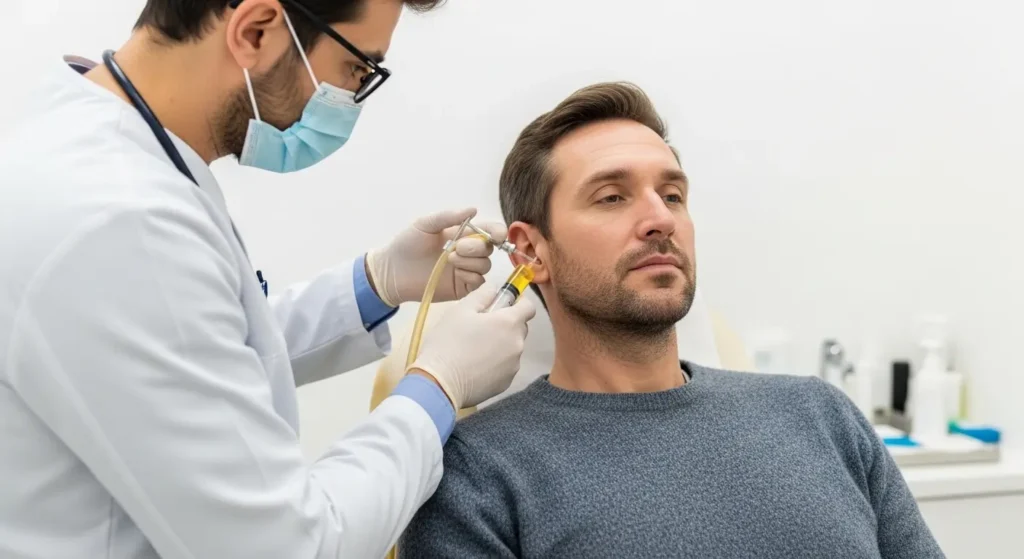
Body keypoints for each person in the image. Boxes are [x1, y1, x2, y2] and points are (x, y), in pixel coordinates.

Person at [0, 1, 537, 558]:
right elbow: (289, 546)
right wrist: (438, 385)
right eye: (357, 69)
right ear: (255, 31)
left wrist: (375, 283)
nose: (352, 101)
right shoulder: (118, 220)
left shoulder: (102, 163)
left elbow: (191, 353)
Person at [399, 82, 945, 558]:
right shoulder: (473, 473)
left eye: (673, 195)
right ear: (529, 254)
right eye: (612, 197)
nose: (660, 219)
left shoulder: (821, 416)